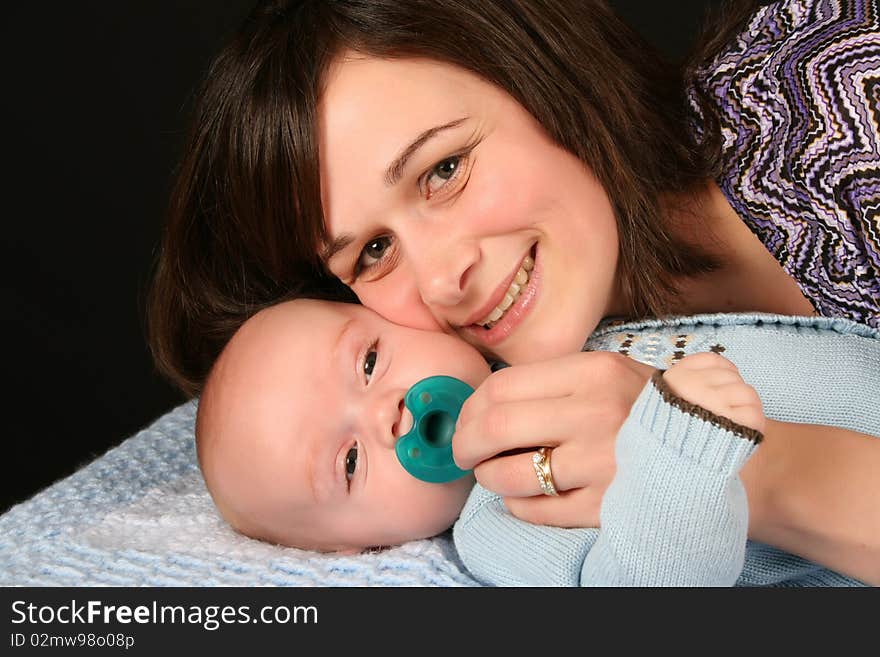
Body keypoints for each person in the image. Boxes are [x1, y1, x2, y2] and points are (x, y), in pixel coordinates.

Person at [149, 0, 880, 582]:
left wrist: (763, 471)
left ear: (543, 73)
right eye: (373, 252)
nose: (442, 278)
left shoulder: (845, 91)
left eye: (443, 170)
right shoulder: (510, 502)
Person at [196, 297, 879, 585]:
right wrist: (679, 458)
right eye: (350, 461)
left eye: (370, 362)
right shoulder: (501, 521)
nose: (388, 412)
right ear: (355, 545)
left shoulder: (539, 336)